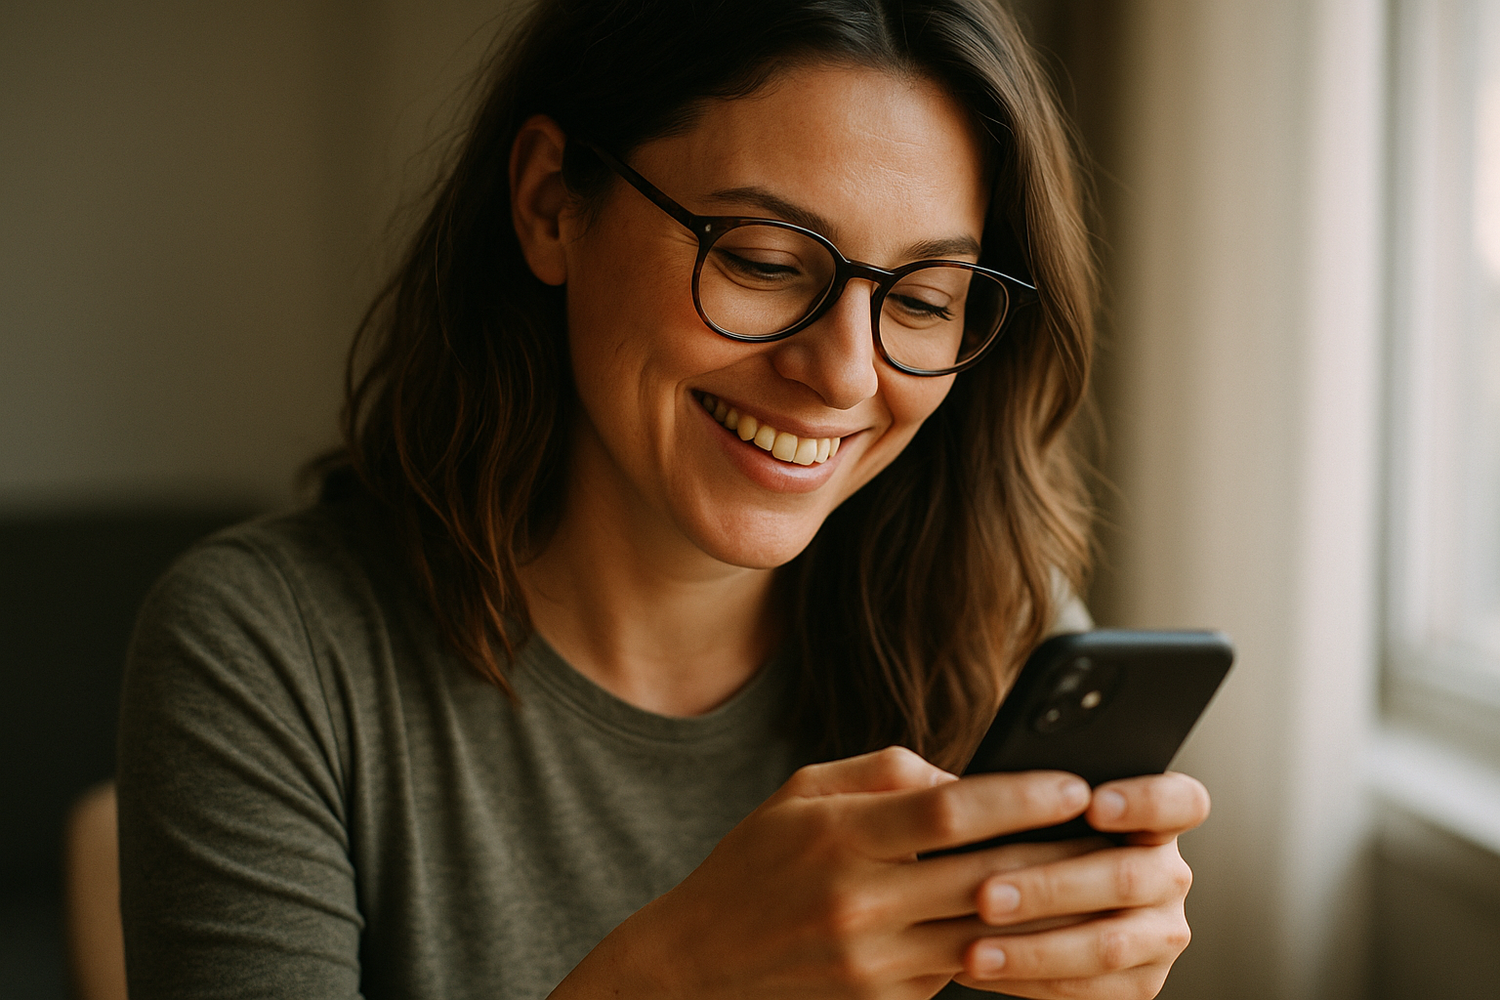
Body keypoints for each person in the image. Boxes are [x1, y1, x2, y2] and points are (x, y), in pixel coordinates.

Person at [116, 1, 1210, 997]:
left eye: (924, 299)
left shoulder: (1001, 635)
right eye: (767, 260)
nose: (843, 375)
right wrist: (680, 973)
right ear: (551, 205)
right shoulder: (269, 651)